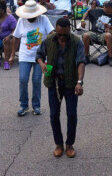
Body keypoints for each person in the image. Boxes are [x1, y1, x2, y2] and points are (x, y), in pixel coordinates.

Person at [36, 18, 86, 158]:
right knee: (53, 115)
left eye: (64, 34)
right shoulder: (49, 40)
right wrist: (42, 64)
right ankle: (58, 144)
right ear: (56, 31)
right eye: (59, 34)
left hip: (70, 83)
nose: (62, 37)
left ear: (69, 30)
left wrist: (79, 82)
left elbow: (81, 62)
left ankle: (69, 144)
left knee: (71, 114)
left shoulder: (77, 41)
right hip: (54, 82)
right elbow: (39, 55)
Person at [12, 0, 54, 116]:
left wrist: (52, 53)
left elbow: (52, 34)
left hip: (40, 56)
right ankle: (24, 105)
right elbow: (16, 38)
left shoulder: (43, 19)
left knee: (36, 81)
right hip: (25, 55)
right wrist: (11, 56)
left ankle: (36, 106)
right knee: (23, 80)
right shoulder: (21, 20)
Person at [81, 1, 112, 65]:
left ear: (111, 8)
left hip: (104, 36)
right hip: (93, 33)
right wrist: (82, 20)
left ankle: (110, 57)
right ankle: (85, 57)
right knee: (85, 35)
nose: (103, 7)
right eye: (104, 6)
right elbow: (88, 11)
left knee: (108, 35)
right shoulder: (99, 11)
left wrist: (111, 31)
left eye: (105, 6)